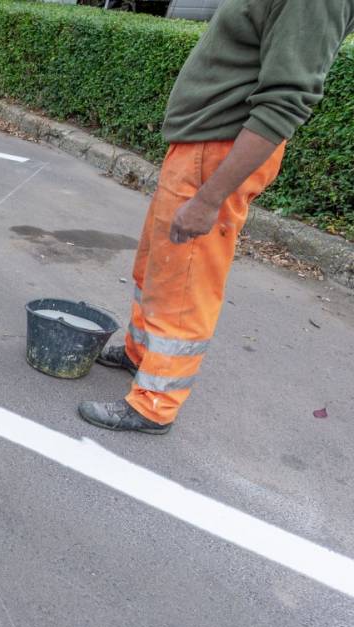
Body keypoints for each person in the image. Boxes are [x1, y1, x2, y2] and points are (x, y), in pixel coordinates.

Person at [79, 0, 354, 434]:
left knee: (185, 282)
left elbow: (285, 103)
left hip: (220, 152)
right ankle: (141, 354)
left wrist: (209, 199)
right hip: (200, 147)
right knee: (157, 265)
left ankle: (155, 403)